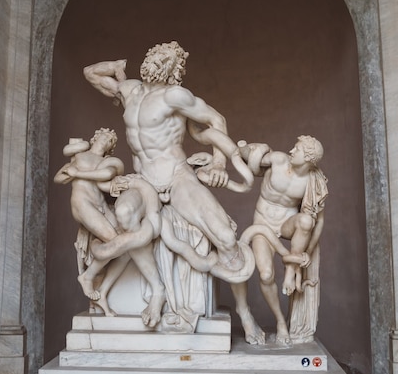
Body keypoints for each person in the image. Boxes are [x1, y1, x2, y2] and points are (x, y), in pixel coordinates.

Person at [83, 41, 264, 343]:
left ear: (174, 69)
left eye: (163, 58)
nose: (154, 60)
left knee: (226, 237)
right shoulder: (129, 90)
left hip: (177, 176)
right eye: (153, 54)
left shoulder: (175, 95)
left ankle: (245, 314)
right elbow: (90, 73)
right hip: (143, 180)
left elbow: (216, 120)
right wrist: (115, 66)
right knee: (126, 213)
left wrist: (219, 163)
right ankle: (157, 289)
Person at [54, 129, 166, 326]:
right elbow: (59, 178)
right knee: (118, 243)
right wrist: (70, 171)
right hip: (83, 203)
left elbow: (106, 176)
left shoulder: (112, 163)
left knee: (123, 247)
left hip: (102, 207)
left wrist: (78, 173)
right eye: (105, 136)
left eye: (111, 140)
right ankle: (87, 278)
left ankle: (102, 292)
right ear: (95, 137)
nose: (107, 140)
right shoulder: (79, 156)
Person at [237, 135, 328, 344]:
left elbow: (318, 222)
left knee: (306, 220)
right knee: (266, 274)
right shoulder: (277, 160)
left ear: (308, 158)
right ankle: (280, 322)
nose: (291, 151)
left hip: (287, 224)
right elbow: (249, 158)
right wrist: (249, 147)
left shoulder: (313, 182)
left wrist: (306, 253)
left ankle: (290, 269)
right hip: (262, 225)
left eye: (297, 150)